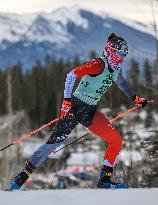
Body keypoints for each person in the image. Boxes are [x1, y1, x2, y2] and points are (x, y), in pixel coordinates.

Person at [9, 33, 147, 190]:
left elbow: (121, 83)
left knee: (116, 141)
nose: (122, 57)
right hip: (75, 107)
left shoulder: (115, 69)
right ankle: (18, 182)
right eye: (120, 53)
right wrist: (66, 101)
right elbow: (71, 75)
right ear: (110, 50)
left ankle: (105, 181)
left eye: (125, 54)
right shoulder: (98, 65)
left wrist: (135, 98)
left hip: (90, 111)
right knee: (52, 145)